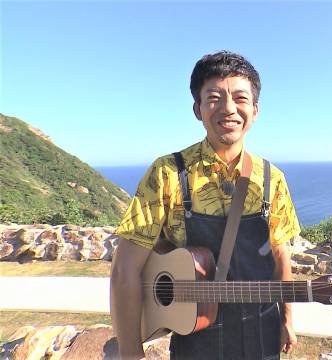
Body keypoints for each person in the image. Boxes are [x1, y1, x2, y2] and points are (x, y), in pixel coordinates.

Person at [110, 51, 300, 360]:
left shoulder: (272, 179)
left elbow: (280, 257)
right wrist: (130, 353)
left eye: (240, 98)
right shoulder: (167, 173)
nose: (228, 108)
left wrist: (287, 320)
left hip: (262, 339)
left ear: (255, 110)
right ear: (198, 109)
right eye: (214, 97)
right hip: (195, 344)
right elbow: (125, 269)